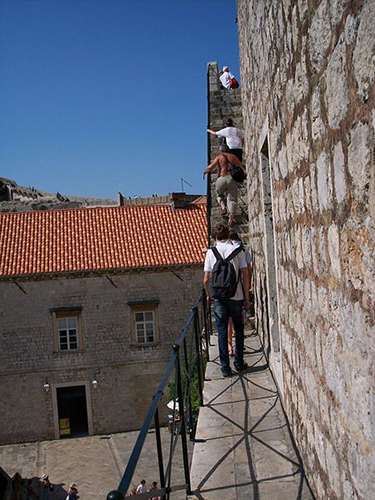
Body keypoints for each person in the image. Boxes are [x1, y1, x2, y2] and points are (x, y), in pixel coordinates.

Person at [203, 223, 250, 377]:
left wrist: (210, 295)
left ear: (215, 237)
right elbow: (245, 274)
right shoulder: (238, 251)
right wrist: (247, 297)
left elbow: (206, 279)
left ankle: (225, 368)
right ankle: (238, 362)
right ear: (228, 236)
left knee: (222, 331)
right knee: (239, 328)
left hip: (219, 299)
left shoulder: (211, 252)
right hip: (236, 296)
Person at [203, 145, 246, 226]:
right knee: (232, 198)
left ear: (221, 151)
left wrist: (204, 172)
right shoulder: (233, 157)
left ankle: (223, 207)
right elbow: (241, 167)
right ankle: (231, 218)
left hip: (222, 178)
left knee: (218, 193)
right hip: (232, 179)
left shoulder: (219, 157)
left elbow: (210, 167)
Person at [228, 230, 252, 355]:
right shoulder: (244, 250)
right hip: (240, 288)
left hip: (227, 289)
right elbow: (248, 269)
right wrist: (247, 290)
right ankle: (239, 345)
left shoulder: (225, 250)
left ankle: (229, 346)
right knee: (239, 318)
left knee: (229, 320)